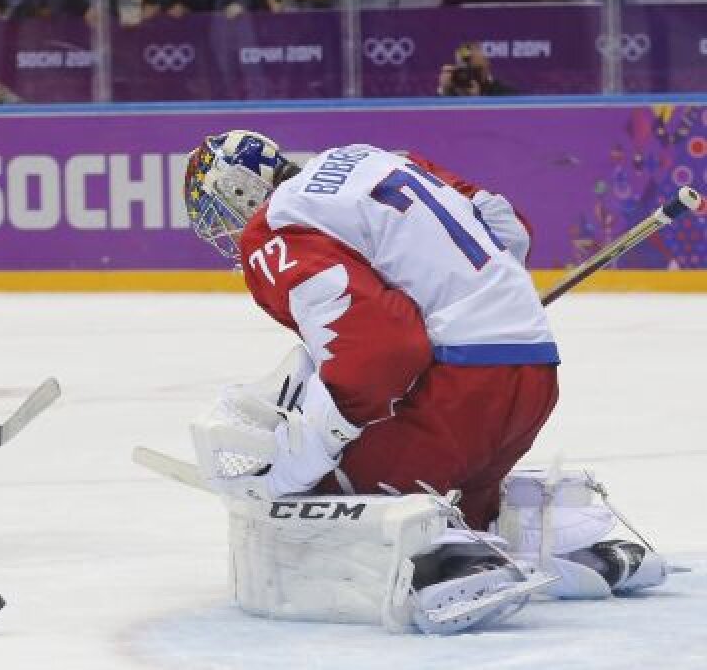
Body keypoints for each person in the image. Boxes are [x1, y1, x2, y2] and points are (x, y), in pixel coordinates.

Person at [181, 130, 667, 630]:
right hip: (533, 379)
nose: (228, 228)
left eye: (219, 209)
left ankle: (445, 557)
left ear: (240, 189)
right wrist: (468, 298)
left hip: (458, 397)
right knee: (461, 480)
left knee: (330, 487)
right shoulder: (379, 159)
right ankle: (547, 531)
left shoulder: (277, 227)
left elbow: (379, 354)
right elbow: (507, 225)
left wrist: (299, 459)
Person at [437, 42, 516, 95]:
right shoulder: (450, 95)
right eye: (465, 70)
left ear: (487, 63)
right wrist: (444, 91)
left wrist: (477, 101)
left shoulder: (508, 95)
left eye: (475, 70)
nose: (470, 76)